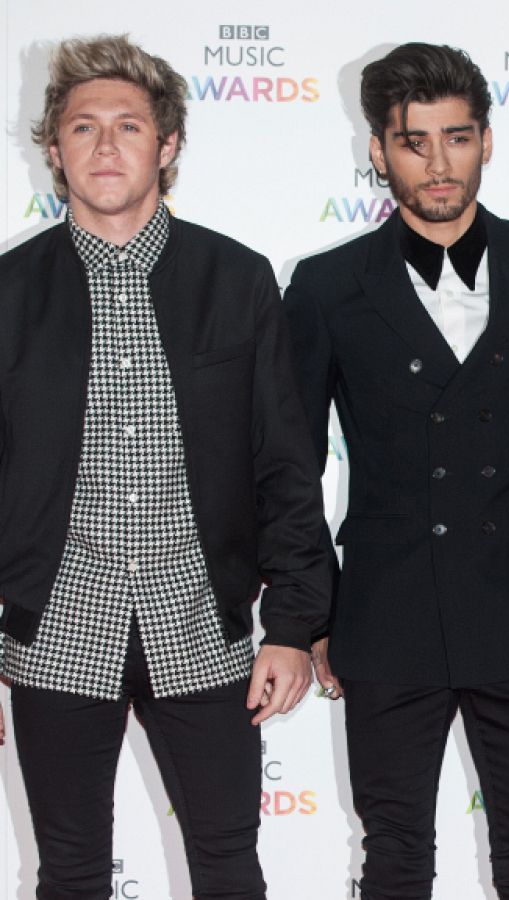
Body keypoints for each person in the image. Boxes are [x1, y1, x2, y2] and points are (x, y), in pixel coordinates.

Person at [0, 33, 330, 899]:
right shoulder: (9, 293)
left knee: (228, 866)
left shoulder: (236, 280)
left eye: (129, 127)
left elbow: (285, 465)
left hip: (201, 626)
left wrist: (292, 624)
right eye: (83, 128)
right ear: (53, 148)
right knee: (70, 873)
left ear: (168, 143)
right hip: (55, 629)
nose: (106, 147)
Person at [282, 43, 509, 900]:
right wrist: (314, 610)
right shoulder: (325, 286)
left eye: (457, 138)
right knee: (393, 857)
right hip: (386, 612)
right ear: (378, 150)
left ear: (487, 141)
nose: (438, 164)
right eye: (414, 141)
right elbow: (289, 464)